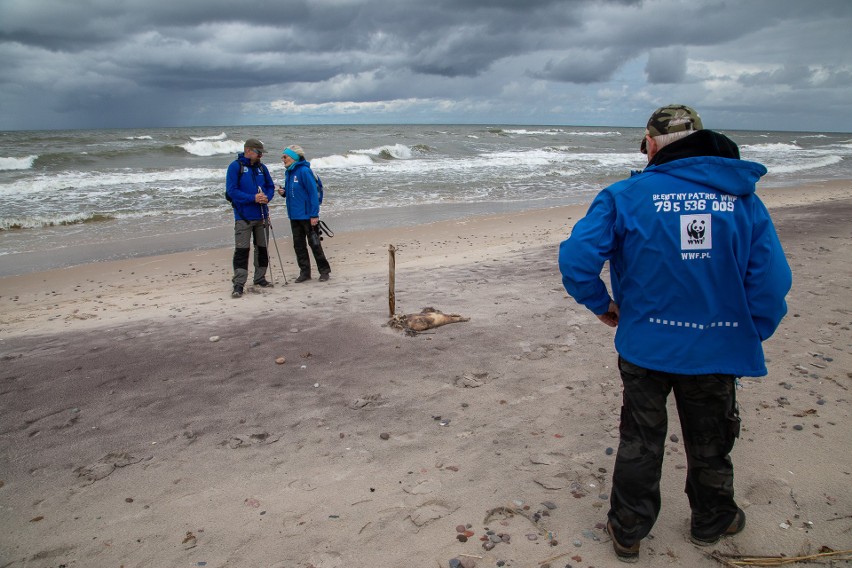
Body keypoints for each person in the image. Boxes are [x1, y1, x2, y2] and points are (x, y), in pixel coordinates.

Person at [558, 105, 792, 563]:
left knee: (640, 438)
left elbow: (576, 260)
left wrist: (601, 304)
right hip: (718, 344)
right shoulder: (742, 198)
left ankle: (628, 530)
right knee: (711, 439)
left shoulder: (625, 195)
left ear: (649, 145)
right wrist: (750, 331)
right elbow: (771, 281)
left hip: (646, 344)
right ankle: (712, 520)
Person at [225, 138, 276, 298]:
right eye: (259, 153)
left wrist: (266, 197)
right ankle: (239, 284)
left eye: (261, 153)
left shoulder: (262, 167)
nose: (261, 156)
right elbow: (231, 191)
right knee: (242, 250)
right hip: (243, 216)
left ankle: (260, 278)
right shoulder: (235, 167)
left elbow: (270, 186)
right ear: (248, 151)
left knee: (262, 249)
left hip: (261, 215)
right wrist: (252, 198)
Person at [277, 145, 331, 282]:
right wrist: (284, 193)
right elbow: (295, 192)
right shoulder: (288, 172)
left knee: (314, 243)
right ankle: (305, 273)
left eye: (285, 156)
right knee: (298, 245)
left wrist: (314, 215)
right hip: (294, 215)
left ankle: (324, 271)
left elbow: (313, 193)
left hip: (307, 215)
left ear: (294, 157)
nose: (282, 159)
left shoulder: (304, 171)